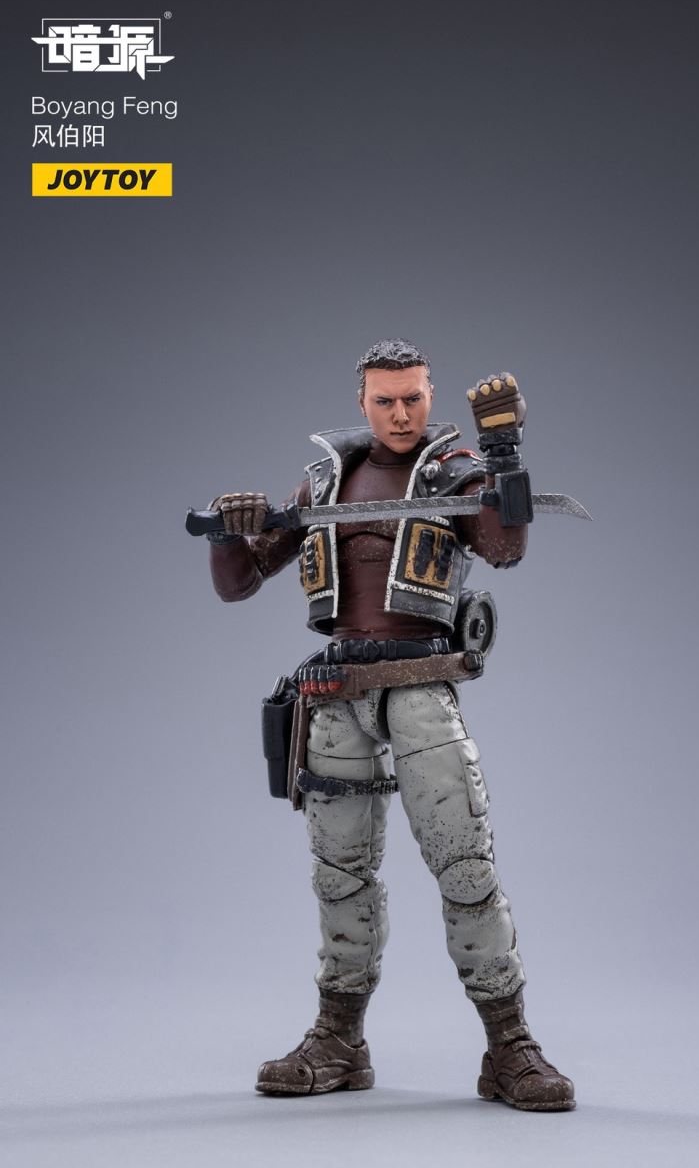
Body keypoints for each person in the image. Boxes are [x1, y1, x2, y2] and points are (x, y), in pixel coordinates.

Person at [204, 338, 575, 1111]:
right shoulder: (322, 483)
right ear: (362, 401)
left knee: (465, 866)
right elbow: (240, 581)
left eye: (412, 398)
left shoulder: (452, 474)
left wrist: (504, 453)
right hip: (335, 689)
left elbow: (504, 545)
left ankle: (510, 1045)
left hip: (419, 684)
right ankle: (338, 1039)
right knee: (339, 874)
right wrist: (228, 531)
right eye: (385, 400)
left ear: (430, 396)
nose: (400, 413)